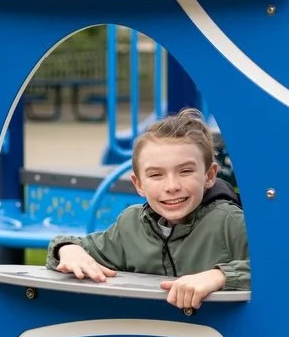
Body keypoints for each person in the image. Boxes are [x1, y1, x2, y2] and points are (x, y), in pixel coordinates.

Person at [47, 108, 249, 309]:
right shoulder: (132, 225)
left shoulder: (230, 222)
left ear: (210, 175)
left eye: (185, 171)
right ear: (139, 184)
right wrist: (68, 251)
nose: (172, 186)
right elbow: (77, 247)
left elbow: (275, 268)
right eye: (156, 175)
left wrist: (219, 276)